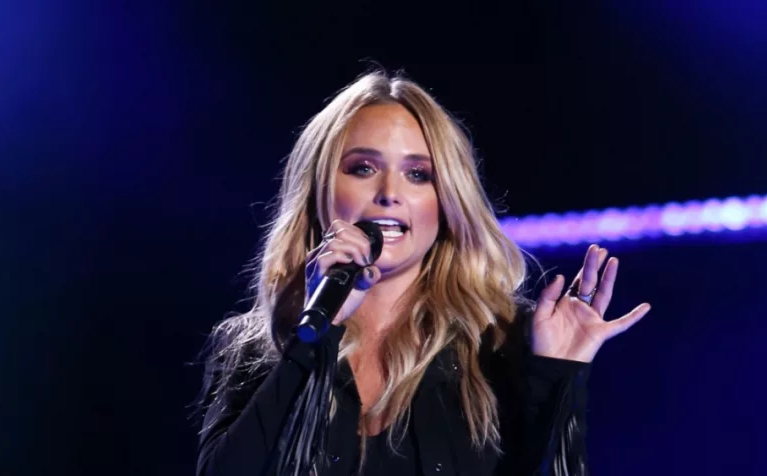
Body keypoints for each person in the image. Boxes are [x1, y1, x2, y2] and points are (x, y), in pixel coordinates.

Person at [192, 70, 651, 476]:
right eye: (363, 168)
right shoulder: (254, 349)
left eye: (418, 174)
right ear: (321, 188)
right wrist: (314, 335)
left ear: (447, 201)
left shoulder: (498, 342)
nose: (389, 192)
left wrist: (557, 378)